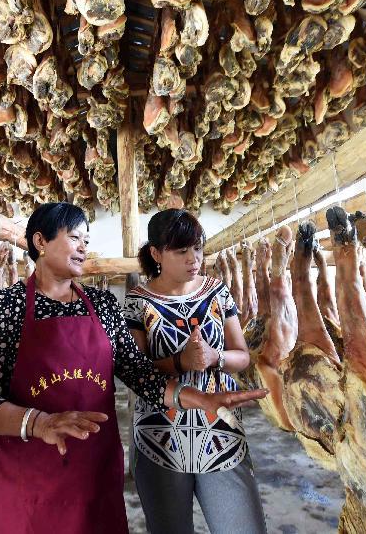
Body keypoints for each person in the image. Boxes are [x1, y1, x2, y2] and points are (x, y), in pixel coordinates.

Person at [0, 203, 267, 534]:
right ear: (40, 242)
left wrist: (198, 399)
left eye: (86, 239)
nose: (83, 247)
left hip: (95, 469)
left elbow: (139, 373)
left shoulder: (102, 307)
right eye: (74, 237)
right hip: (33, 477)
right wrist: (39, 423)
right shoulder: (5, 307)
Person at [123, 209, 268, 534]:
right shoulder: (136, 302)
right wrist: (180, 362)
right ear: (157, 253)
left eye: (198, 248)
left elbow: (242, 356)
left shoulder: (217, 292)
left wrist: (216, 356)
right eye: (182, 251)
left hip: (221, 435)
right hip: (160, 438)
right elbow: (133, 368)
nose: (194, 258)